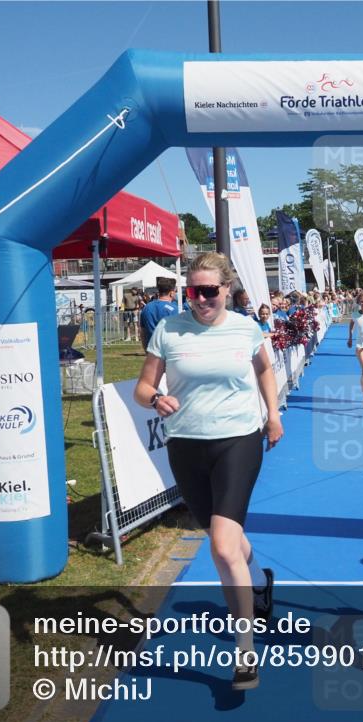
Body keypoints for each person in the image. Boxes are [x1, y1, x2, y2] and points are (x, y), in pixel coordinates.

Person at [134, 252, 283, 690]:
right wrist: (155, 399)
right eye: (193, 292)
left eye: (209, 291)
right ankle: (259, 579)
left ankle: (244, 651)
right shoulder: (168, 329)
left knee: (221, 546)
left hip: (238, 439)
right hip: (186, 445)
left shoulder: (245, 327)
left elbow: (266, 370)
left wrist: (273, 414)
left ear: (225, 289)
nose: (200, 300)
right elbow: (144, 387)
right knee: (225, 535)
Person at [138, 276, 178, 352]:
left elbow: (143, 331)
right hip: (169, 350)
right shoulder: (174, 309)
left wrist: (146, 349)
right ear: (171, 293)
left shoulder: (147, 307)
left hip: (152, 349)